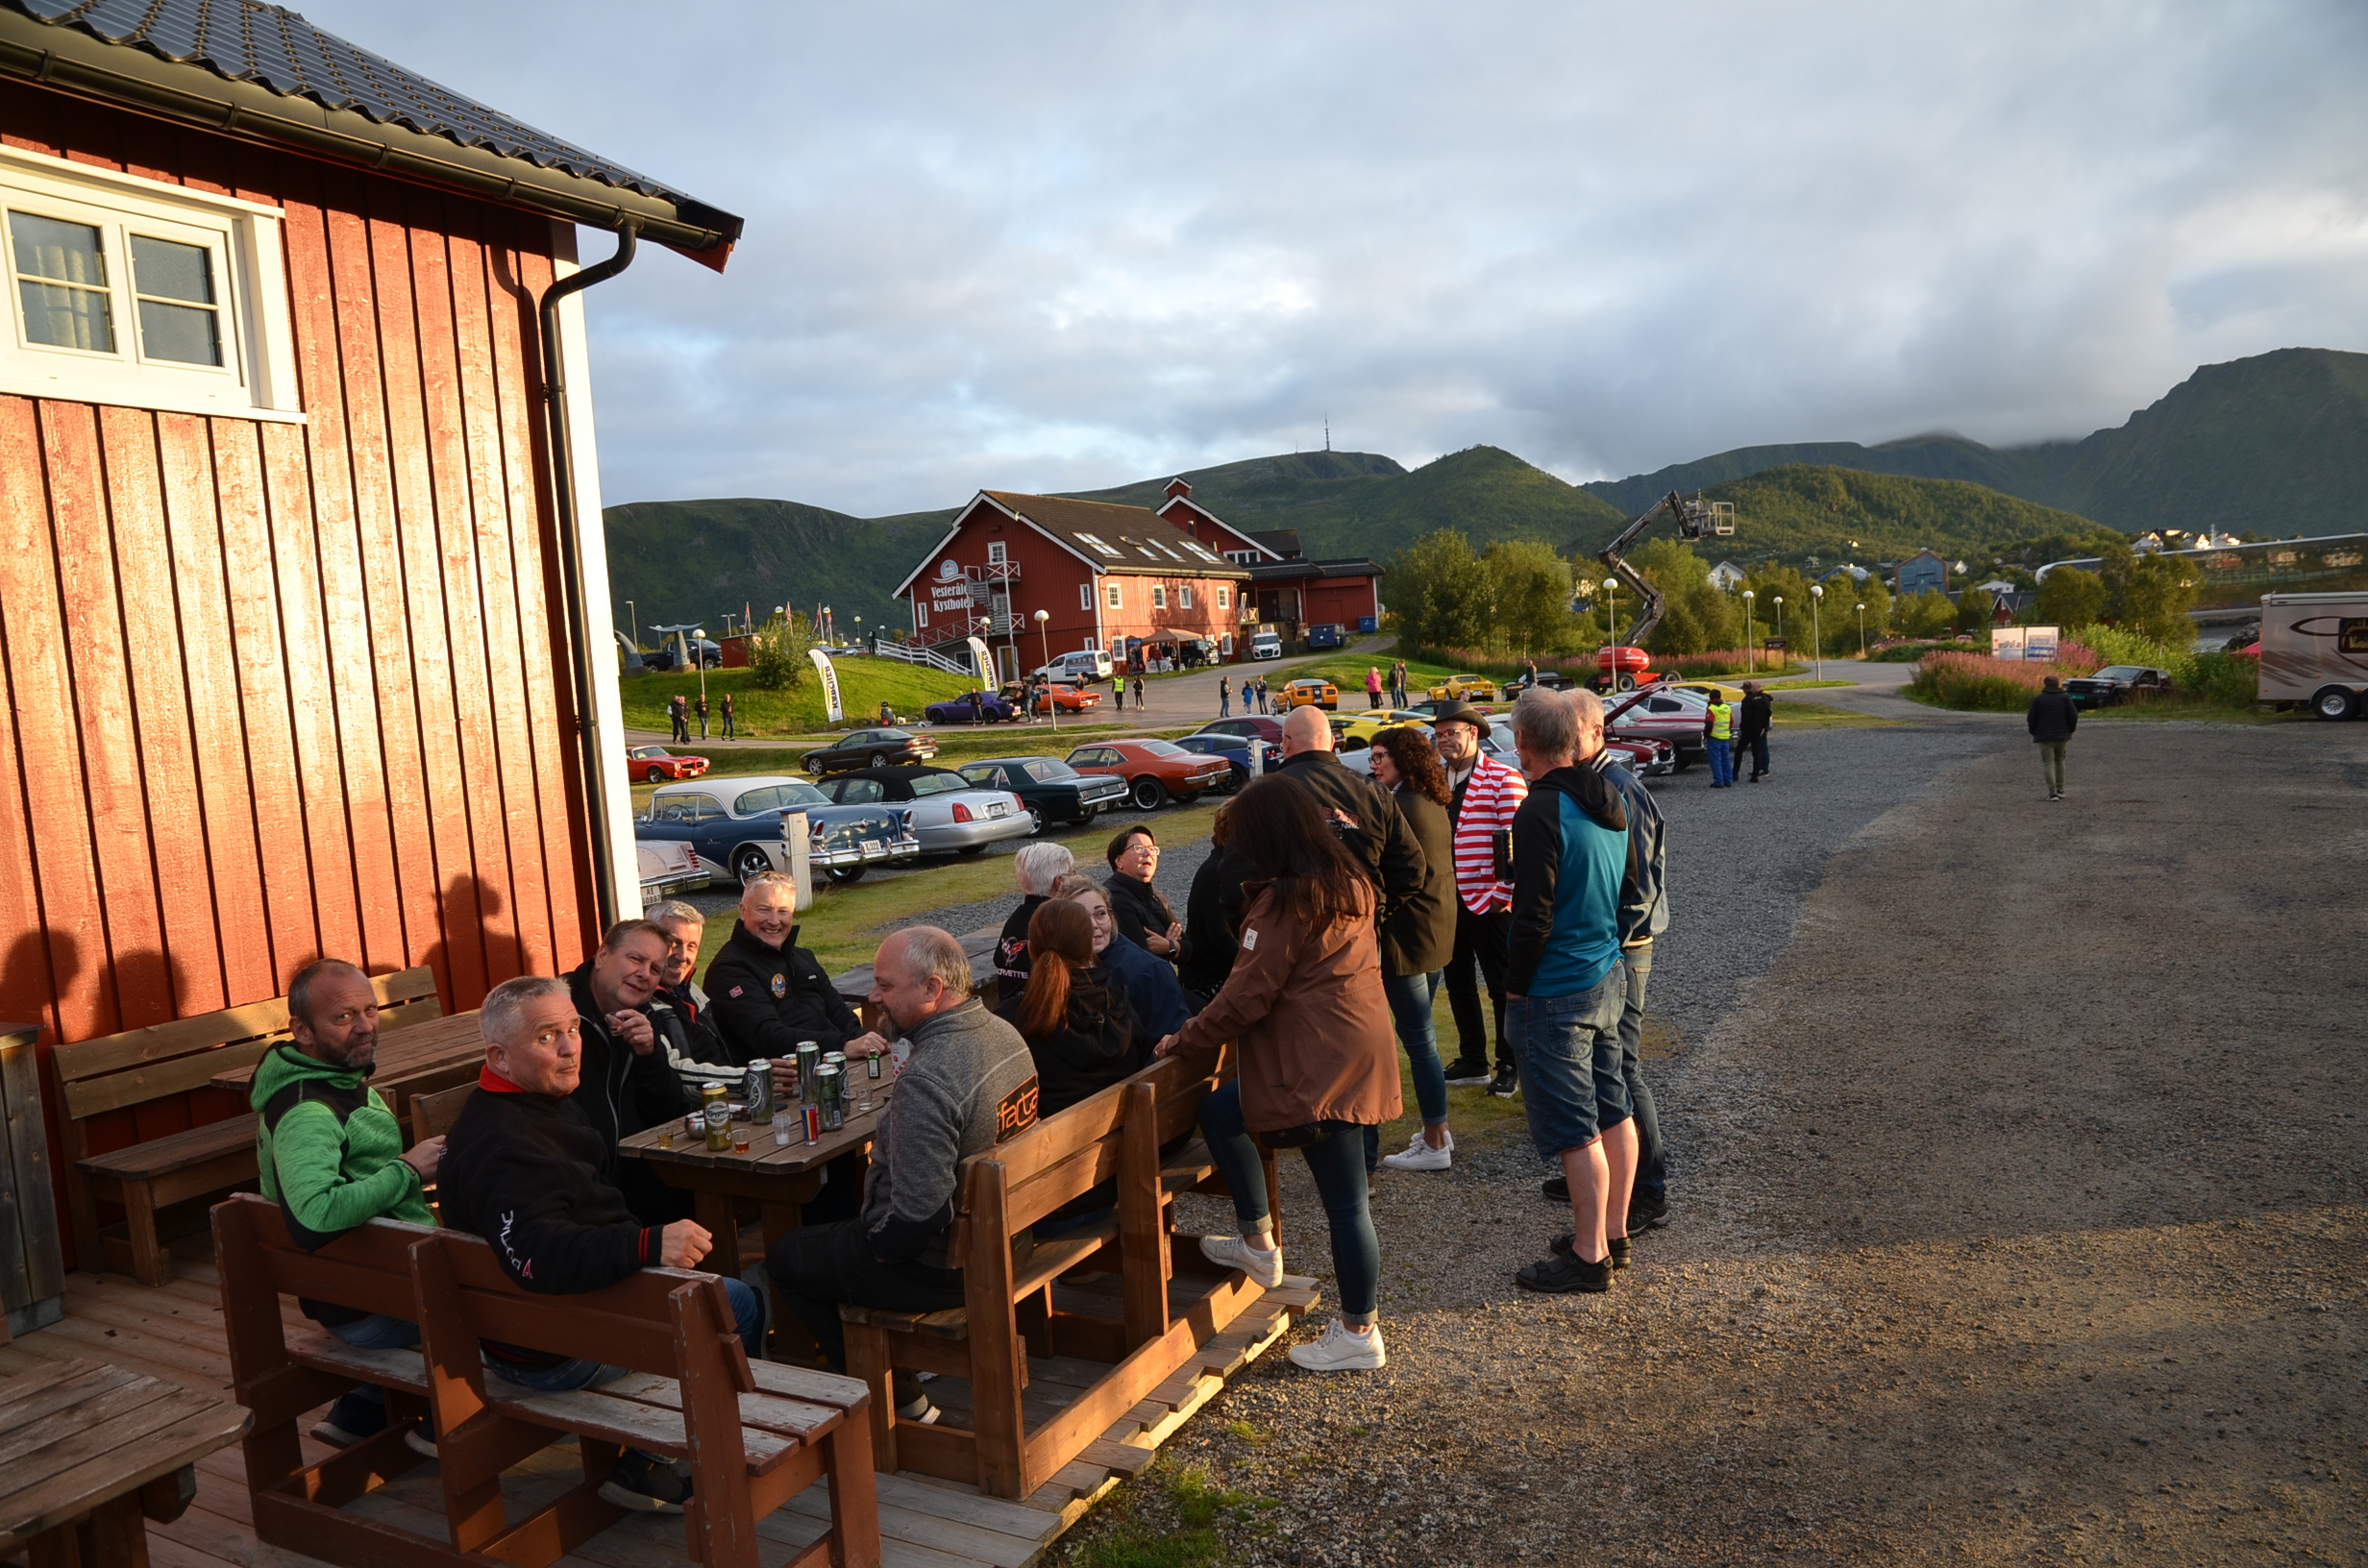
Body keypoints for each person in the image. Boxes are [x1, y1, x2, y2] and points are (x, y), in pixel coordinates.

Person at [441, 975, 765, 1514]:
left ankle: (685, 1440)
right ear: (499, 1056)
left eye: (573, 1029)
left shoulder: (526, 1105)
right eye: (547, 1037)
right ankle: (661, 1462)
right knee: (736, 1303)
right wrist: (646, 1246)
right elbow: (535, 1254)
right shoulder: (506, 1143)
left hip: (529, 1322)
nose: (570, 1048)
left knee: (713, 1285)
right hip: (549, 1347)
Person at [1154, 776, 1398, 1373]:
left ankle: (1358, 1331)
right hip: (1354, 1043)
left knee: (1346, 1203)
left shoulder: (1288, 900)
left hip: (1316, 1060)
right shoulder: (1346, 878)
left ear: (1268, 835)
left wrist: (1183, 1038)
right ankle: (1258, 1241)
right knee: (1223, 1111)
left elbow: (1245, 997)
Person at [767, 928, 1039, 1425]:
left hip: (949, 1267)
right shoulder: (1004, 1033)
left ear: (933, 989)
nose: (873, 997)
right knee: (830, 1239)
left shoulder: (928, 1078)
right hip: (1013, 1236)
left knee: (786, 1257)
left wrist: (873, 1247)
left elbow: (919, 1219)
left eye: (886, 986)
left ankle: (889, 1396)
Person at [253, 960, 440, 1457]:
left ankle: (365, 1406)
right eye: (343, 1017)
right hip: (373, 1304)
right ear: (302, 1031)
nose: (364, 1026)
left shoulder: (332, 1080)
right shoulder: (308, 1110)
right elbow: (314, 1214)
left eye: (370, 1010)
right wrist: (409, 1169)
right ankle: (453, 1421)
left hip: (367, 1282)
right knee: (520, 1299)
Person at [1502, 689, 1640, 1294]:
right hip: (1606, 972)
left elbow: (1532, 914)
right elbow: (1628, 884)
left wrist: (1515, 989)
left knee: (1576, 1126)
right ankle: (1613, 1233)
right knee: (1614, 1106)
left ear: (1524, 742)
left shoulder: (1539, 809)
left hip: (1558, 987)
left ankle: (1589, 1257)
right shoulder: (1610, 795)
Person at [1541, 729, 1672, 1232]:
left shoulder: (1619, 786)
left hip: (1624, 949)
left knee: (1624, 1070)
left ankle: (1648, 1191)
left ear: (1594, 732)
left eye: (1569, 728)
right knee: (1600, 1069)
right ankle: (1599, 1173)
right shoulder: (1585, 784)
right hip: (1606, 950)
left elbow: (1640, 885)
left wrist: (1609, 940)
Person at [1365, 727, 1459, 1174]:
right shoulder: (1431, 798)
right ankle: (1438, 1128)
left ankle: (1436, 1139)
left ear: (1404, 758)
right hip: (1435, 930)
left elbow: (1400, 873)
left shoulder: (1400, 805)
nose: (1374, 765)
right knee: (1424, 1039)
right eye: (1371, 757)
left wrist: (1379, 912)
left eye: (1380, 756)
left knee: (1420, 1043)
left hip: (1408, 937)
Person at [563, 919, 697, 1225]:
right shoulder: (561, 1014)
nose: (644, 974)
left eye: (655, 969)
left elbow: (664, 1111)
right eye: (636, 959)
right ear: (602, 956)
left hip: (635, 1177)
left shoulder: (646, 1013)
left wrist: (650, 1055)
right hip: (580, 1187)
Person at [1429, 700, 1528, 1098]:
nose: (1444, 740)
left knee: (1502, 986)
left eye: (1451, 732)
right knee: (1457, 983)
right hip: (1448, 901)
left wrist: (1504, 894)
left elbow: (1516, 842)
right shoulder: (1436, 781)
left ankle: (1510, 1064)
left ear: (1473, 733)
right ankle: (1473, 1060)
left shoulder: (1504, 778)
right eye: (1438, 734)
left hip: (1490, 901)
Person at [1270, 705, 1424, 926]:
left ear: (1285, 742)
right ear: (1332, 742)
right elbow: (1411, 868)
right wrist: (1373, 911)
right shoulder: (1373, 792)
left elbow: (1236, 874)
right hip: (1357, 931)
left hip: (1290, 929)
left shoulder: (1264, 794)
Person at [996, 899, 1144, 1115]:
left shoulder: (1013, 1020)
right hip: (1128, 1128)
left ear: (1030, 948)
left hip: (1054, 1135)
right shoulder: (1120, 1001)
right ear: (1088, 948)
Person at [706, 870, 865, 1060]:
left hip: (832, 1061)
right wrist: (842, 1045)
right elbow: (767, 1037)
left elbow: (839, 1012)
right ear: (743, 911)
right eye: (764, 909)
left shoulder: (803, 957)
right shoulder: (728, 970)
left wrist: (863, 1040)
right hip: (781, 1073)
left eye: (783, 911)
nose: (774, 921)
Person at [1054, 873, 1192, 1038]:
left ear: (1111, 916)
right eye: (1081, 917)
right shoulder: (1055, 967)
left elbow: (1173, 1041)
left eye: (1100, 914)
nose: (1094, 925)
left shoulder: (1150, 973)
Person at [643, 899, 740, 1081]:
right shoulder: (640, 1000)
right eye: (674, 943)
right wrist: (744, 1078)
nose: (683, 956)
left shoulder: (692, 990)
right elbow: (672, 1071)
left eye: (691, 946)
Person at [1175, 802, 1247, 1006]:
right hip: (1211, 979)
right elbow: (1220, 936)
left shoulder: (1233, 867)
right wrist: (1252, 965)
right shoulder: (1215, 873)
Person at [993, 842, 1075, 998]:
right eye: (1072, 873)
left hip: (1010, 1004)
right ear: (1060, 882)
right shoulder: (1057, 921)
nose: (1076, 878)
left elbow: (999, 960)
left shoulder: (1016, 919)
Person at [1104, 824, 1183, 961]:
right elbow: (1141, 955)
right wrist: (1172, 947)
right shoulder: (1114, 898)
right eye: (1139, 848)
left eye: (1152, 849)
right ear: (1118, 861)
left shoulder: (1156, 896)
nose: (1148, 854)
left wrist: (1169, 946)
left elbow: (1187, 947)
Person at [2028, 674, 2079, 800]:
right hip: (2062, 735)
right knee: (2060, 761)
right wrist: (2070, 729)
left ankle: (2052, 792)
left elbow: (2031, 718)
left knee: (2048, 763)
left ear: (2045, 684)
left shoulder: (2038, 699)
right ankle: (2060, 789)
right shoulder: (2065, 698)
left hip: (2044, 736)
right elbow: (2074, 715)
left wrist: (2034, 732)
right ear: (2058, 684)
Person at [1739, 680, 1773, 782]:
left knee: (1762, 747)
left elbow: (1766, 714)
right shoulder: (1759, 698)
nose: (1752, 690)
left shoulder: (1762, 698)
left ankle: (1764, 768)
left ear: (1758, 687)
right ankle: (1758, 768)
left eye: (1753, 687)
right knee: (1758, 748)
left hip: (1760, 727)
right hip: (1758, 727)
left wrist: (1764, 727)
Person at [1704, 691, 1737, 788]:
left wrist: (1706, 734)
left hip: (1714, 737)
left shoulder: (1712, 709)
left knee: (1715, 760)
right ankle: (1728, 780)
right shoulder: (1727, 707)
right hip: (1725, 736)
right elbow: (1731, 722)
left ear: (1710, 697)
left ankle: (1719, 781)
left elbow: (1709, 723)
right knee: (1726, 759)